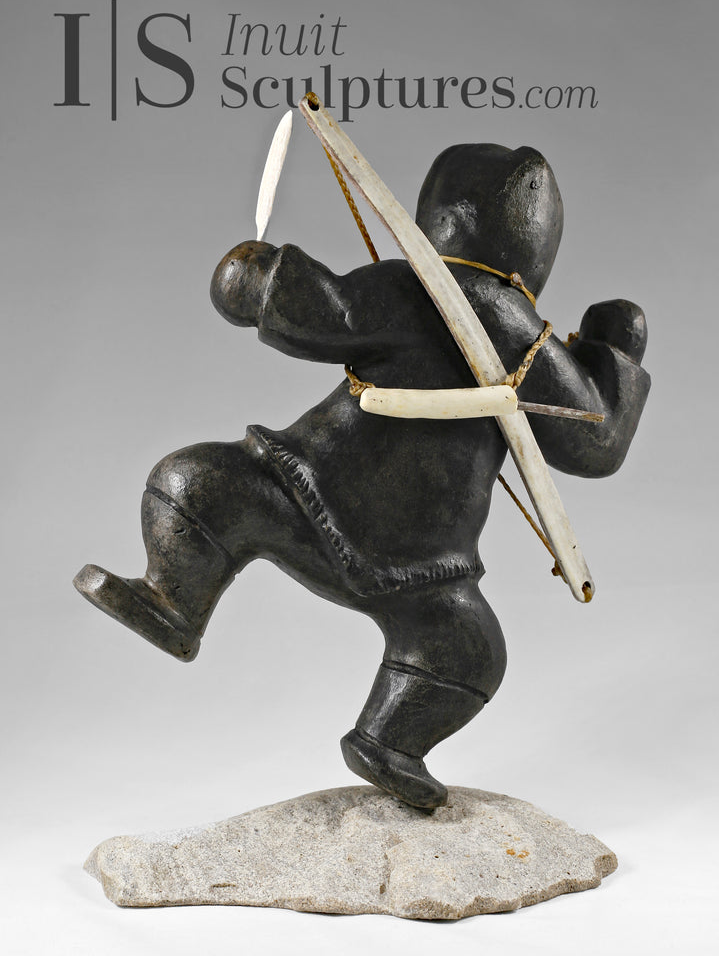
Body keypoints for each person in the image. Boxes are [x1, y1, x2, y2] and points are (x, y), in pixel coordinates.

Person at [74, 143, 650, 809]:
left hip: (309, 502)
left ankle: (176, 603)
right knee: (467, 652)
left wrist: (256, 281)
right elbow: (596, 442)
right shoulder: (514, 334)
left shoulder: (430, 296)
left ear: (440, 217)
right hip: (399, 551)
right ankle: (388, 739)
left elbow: (328, 312)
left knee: (194, 482)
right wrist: (613, 350)